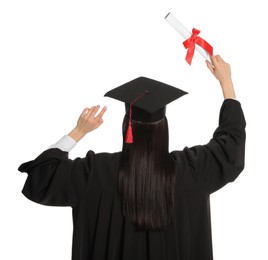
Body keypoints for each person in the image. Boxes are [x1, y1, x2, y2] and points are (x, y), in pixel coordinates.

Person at [18, 55, 246, 260]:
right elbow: (231, 146)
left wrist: (78, 132)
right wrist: (226, 82)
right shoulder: (192, 170)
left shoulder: (95, 173)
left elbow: (41, 177)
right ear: (163, 127)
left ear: (126, 127)